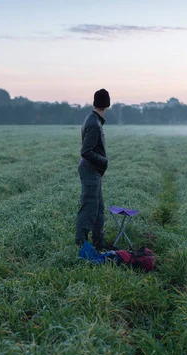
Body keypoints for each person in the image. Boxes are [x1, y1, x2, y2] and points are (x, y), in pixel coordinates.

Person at [75, 88, 114, 250]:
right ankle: (81, 245)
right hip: (90, 170)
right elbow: (86, 151)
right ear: (107, 105)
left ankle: (99, 242)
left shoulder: (92, 119)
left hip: (94, 171)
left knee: (98, 209)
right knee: (89, 209)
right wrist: (103, 161)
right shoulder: (94, 124)